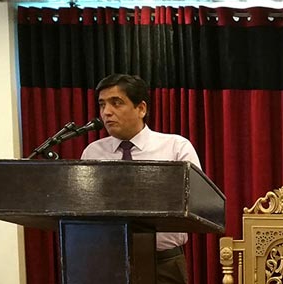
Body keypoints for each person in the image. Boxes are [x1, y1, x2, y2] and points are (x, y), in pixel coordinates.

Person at [81, 73, 201, 284]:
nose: (106, 112)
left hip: (162, 263)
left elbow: (196, 203)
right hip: (107, 262)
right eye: (102, 105)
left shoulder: (175, 147)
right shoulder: (93, 153)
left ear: (141, 108)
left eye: (116, 103)